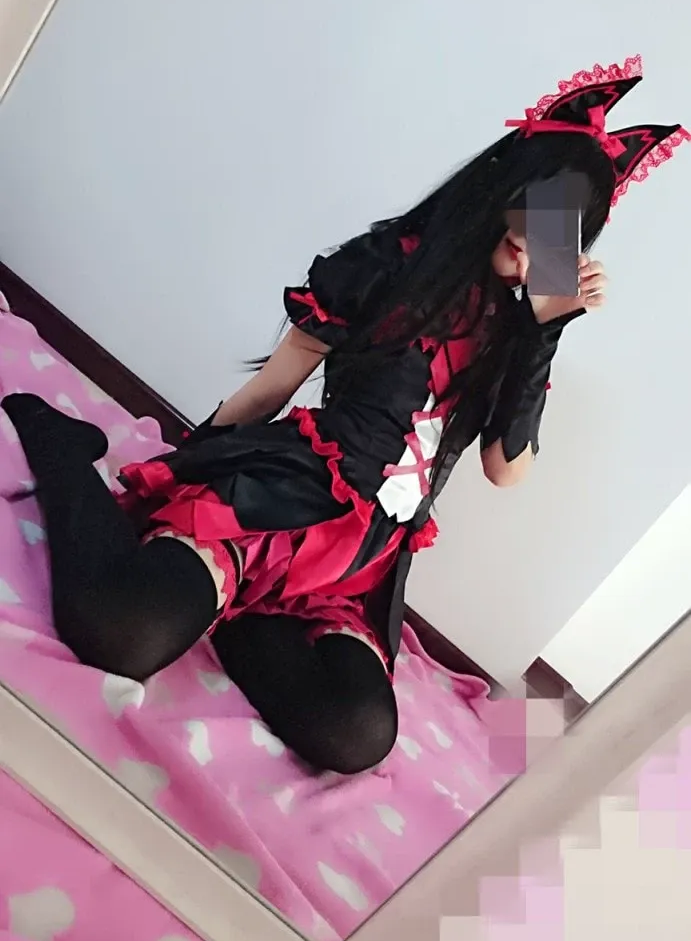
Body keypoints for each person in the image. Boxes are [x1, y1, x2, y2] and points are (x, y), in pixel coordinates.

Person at [3, 55, 687, 774]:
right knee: (121, 631)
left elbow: (505, 468)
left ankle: (235, 609)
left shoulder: (520, 331)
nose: (541, 236)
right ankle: (60, 443)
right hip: (285, 493)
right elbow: (272, 388)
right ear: (502, 185)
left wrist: (546, 329)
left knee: (358, 735)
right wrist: (182, 469)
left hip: (362, 560)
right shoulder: (386, 263)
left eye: (566, 228)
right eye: (538, 207)